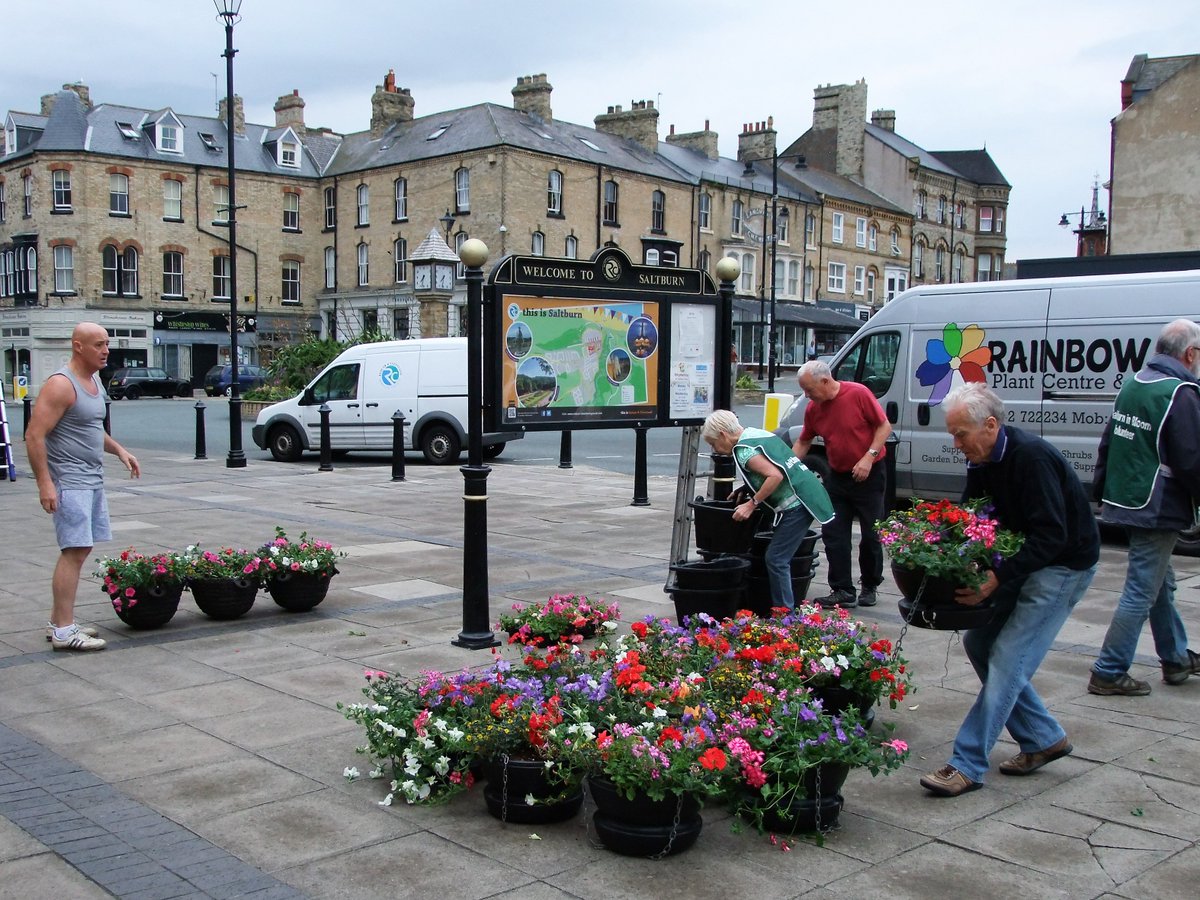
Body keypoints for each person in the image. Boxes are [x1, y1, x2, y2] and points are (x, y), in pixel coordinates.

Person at [919, 383, 1099, 797]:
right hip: (1027, 558)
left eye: (960, 434)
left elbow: (1052, 535)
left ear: (990, 425)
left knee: (1007, 658)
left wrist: (998, 577)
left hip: (1063, 565)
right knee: (980, 644)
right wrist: (945, 551)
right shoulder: (981, 458)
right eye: (952, 434)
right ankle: (1042, 738)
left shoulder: (1031, 458)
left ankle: (967, 763)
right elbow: (971, 515)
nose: (956, 444)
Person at [1088, 319, 1200, 696]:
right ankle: (1109, 669)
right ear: (1189, 353)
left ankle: (1176, 658)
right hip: (1158, 505)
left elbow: (1109, 441)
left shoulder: (1135, 383)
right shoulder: (1180, 392)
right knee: (1142, 589)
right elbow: (1191, 459)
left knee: (1159, 584)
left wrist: (1101, 488)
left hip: (1128, 499)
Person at [26, 322, 140, 652]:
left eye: (107, 344)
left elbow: (89, 427)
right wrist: (45, 483)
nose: (106, 351)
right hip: (70, 481)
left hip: (91, 479)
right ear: (78, 346)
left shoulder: (94, 381)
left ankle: (58, 621)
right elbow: (34, 435)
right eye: (98, 345)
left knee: (81, 549)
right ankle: (64, 631)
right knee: (74, 551)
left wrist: (119, 450)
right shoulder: (61, 385)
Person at [701, 410, 833, 610]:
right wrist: (747, 487)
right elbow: (773, 466)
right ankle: (784, 610)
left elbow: (774, 476)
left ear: (723, 435)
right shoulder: (756, 434)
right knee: (778, 556)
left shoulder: (744, 451)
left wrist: (751, 503)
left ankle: (785, 614)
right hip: (808, 494)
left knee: (776, 558)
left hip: (796, 504)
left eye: (713, 443)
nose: (715, 449)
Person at [792, 359, 891, 608]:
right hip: (837, 475)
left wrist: (868, 457)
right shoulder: (813, 409)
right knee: (833, 532)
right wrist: (787, 467)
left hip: (869, 473)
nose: (807, 395)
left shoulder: (858, 394)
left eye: (809, 389)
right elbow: (804, 441)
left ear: (825, 381)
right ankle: (842, 589)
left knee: (871, 533)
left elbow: (884, 426)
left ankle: (870, 584)